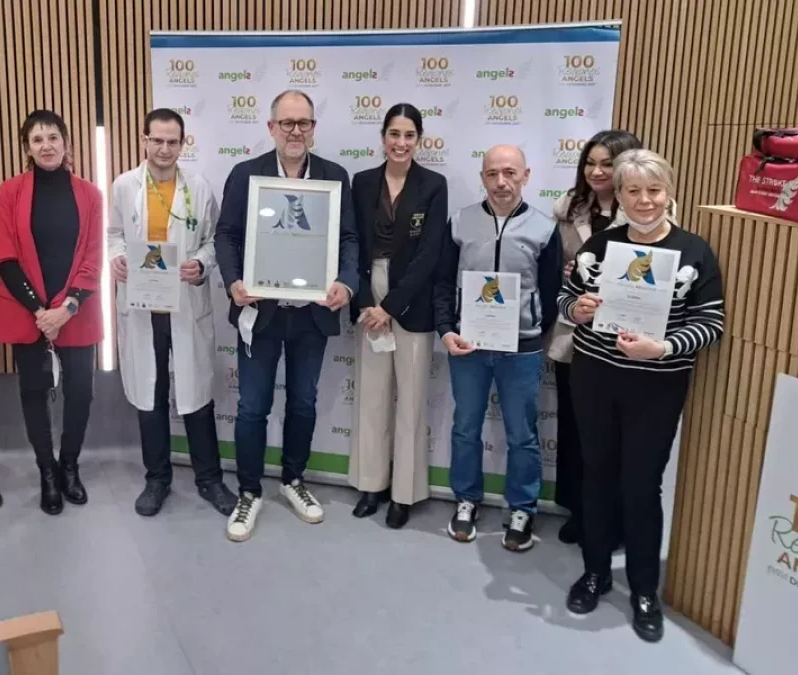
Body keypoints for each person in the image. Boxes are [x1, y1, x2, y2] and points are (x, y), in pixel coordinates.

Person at [561, 149, 724, 643]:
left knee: (640, 485)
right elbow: (566, 301)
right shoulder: (601, 247)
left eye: (653, 189)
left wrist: (664, 347)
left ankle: (644, 590)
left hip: (657, 384)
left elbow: (711, 322)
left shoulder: (694, 251)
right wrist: (579, 310)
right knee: (596, 476)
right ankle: (594, 572)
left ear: (668, 192)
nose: (644, 200)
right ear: (621, 195)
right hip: (594, 378)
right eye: (633, 190)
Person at [215, 89, 360, 542]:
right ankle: (249, 490)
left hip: (312, 316)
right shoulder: (245, 175)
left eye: (304, 123)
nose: (296, 131)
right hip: (260, 313)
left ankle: (294, 480)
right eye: (287, 123)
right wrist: (234, 282)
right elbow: (226, 236)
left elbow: (350, 240)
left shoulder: (335, 177)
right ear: (271, 127)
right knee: (252, 406)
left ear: (314, 128)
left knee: (303, 402)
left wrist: (346, 282)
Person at [108, 108, 238, 517]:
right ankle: (157, 479)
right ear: (143, 140)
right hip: (143, 306)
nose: (164, 149)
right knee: (152, 394)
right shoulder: (124, 186)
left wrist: (200, 264)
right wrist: (117, 259)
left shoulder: (198, 187)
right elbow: (113, 236)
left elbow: (215, 240)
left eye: (172, 141)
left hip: (184, 304)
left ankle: (210, 479)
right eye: (157, 140)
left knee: (196, 395)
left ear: (183, 144)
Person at [433, 144, 561, 552]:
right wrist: (446, 330)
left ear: (527, 175)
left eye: (510, 172)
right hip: (468, 344)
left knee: (522, 434)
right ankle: (466, 499)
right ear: (482, 176)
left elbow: (552, 288)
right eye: (492, 173)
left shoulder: (544, 228)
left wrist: (534, 336)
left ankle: (522, 507)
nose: (501, 182)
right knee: (465, 426)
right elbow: (441, 283)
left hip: (521, 349)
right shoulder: (459, 222)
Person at [0, 110, 103, 516]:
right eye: (37, 140)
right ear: (27, 148)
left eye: (53, 137)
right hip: (28, 313)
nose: (46, 145)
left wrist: (66, 307)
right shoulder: (11, 192)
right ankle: (47, 472)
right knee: (34, 393)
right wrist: (41, 312)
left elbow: (93, 258)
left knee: (80, 394)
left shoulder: (90, 194)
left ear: (67, 143)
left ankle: (70, 465)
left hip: (78, 311)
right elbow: (2, 255)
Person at [347, 103, 448, 528]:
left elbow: (429, 257)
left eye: (409, 135)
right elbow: (352, 244)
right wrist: (370, 304)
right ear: (382, 137)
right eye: (394, 134)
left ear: (419, 140)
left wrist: (391, 306)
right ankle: (371, 484)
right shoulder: (363, 182)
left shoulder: (433, 184)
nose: (400, 143)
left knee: (409, 403)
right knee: (371, 397)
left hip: (412, 301)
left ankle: (404, 494)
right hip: (370, 296)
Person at [548, 129, 644, 544]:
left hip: (624, 339)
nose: (598, 171)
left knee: (618, 434)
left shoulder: (648, 210)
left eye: (607, 163)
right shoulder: (568, 209)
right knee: (574, 426)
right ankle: (579, 511)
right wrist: (566, 273)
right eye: (591, 162)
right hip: (575, 333)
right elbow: (555, 265)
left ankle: (614, 518)